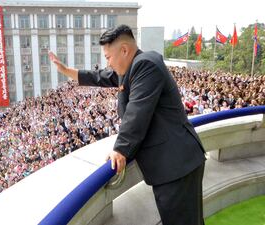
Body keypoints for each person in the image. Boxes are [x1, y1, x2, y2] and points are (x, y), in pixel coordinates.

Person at [48, 24, 206, 225]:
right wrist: (66, 70)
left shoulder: (146, 64)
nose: (108, 63)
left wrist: (121, 149)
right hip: (175, 164)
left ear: (124, 50)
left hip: (176, 165)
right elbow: (101, 77)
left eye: (108, 57)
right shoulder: (131, 67)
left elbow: (138, 111)